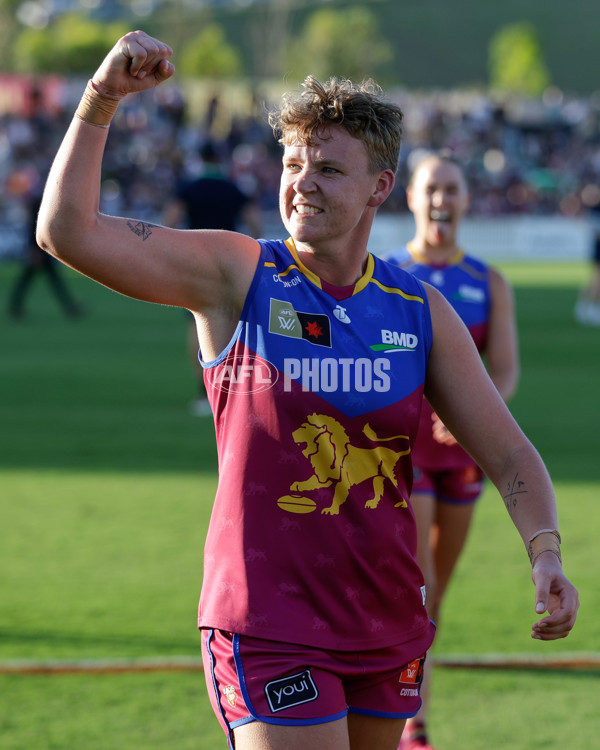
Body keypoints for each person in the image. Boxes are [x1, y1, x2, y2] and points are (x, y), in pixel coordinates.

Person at [36, 31, 579, 750]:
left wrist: (545, 553)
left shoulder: (418, 311)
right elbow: (66, 232)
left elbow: (508, 453)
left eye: (327, 168)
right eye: (294, 163)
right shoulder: (238, 274)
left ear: (380, 188)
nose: (302, 182)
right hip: (266, 623)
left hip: (386, 621)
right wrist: (101, 98)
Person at [382, 152, 520, 750]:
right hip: (404, 458)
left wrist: (471, 416)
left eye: (452, 189)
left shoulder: (490, 281)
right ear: (410, 197)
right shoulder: (387, 274)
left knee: (435, 594)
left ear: (465, 200)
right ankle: (414, 725)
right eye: (431, 188)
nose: (441, 199)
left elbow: (506, 372)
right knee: (420, 585)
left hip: (464, 459)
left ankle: (407, 709)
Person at [162, 140, 263, 416]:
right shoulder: (233, 188)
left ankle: (203, 391)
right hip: (231, 262)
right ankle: (236, 390)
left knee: (198, 323)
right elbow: (255, 223)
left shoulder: (189, 188)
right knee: (235, 325)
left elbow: (169, 221)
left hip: (196, 264)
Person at [7, 192, 84, 320]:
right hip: (40, 249)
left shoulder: (40, 201)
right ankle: (70, 307)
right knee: (49, 280)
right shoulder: (41, 203)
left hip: (40, 249)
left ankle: (15, 307)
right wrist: (34, 250)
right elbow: (35, 227)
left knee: (39, 280)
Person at [574, 201, 600, 326]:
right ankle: (588, 308)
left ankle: (585, 307)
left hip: (597, 247)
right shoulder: (596, 208)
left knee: (595, 279)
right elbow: (594, 230)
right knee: (597, 280)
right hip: (598, 247)